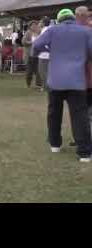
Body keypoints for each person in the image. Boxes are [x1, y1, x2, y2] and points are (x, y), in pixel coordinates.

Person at [33, 8, 92, 162]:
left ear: (59, 20)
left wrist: (49, 48)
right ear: (73, 18)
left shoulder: (52, 30)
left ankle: (55, 145)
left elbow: (36, 45)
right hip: (77, 81)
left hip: (55, 81)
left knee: (54, 113)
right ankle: (84, 152)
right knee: (80, 116)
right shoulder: (85, 31)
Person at [23, 21, 42, 89]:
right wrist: (31, 42)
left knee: (38, 71)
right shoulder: (28, 33)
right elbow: (23, 41)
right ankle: (28, 84)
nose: (34, 26)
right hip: (29, 55)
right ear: (30, 26)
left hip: (37, 55)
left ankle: (38, 84)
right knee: (29, 71)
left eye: (35, 25)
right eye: (33, 25)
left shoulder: (39, 32)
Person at [37, 17, 51, 92]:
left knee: (42, 71)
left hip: (44, 55)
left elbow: (42, 43)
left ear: (43, 23)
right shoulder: (49, 29)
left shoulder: (44, 31)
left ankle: (46, 87)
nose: (39, 23)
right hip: (49, 54)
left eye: (40, 22)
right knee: (47, 71)